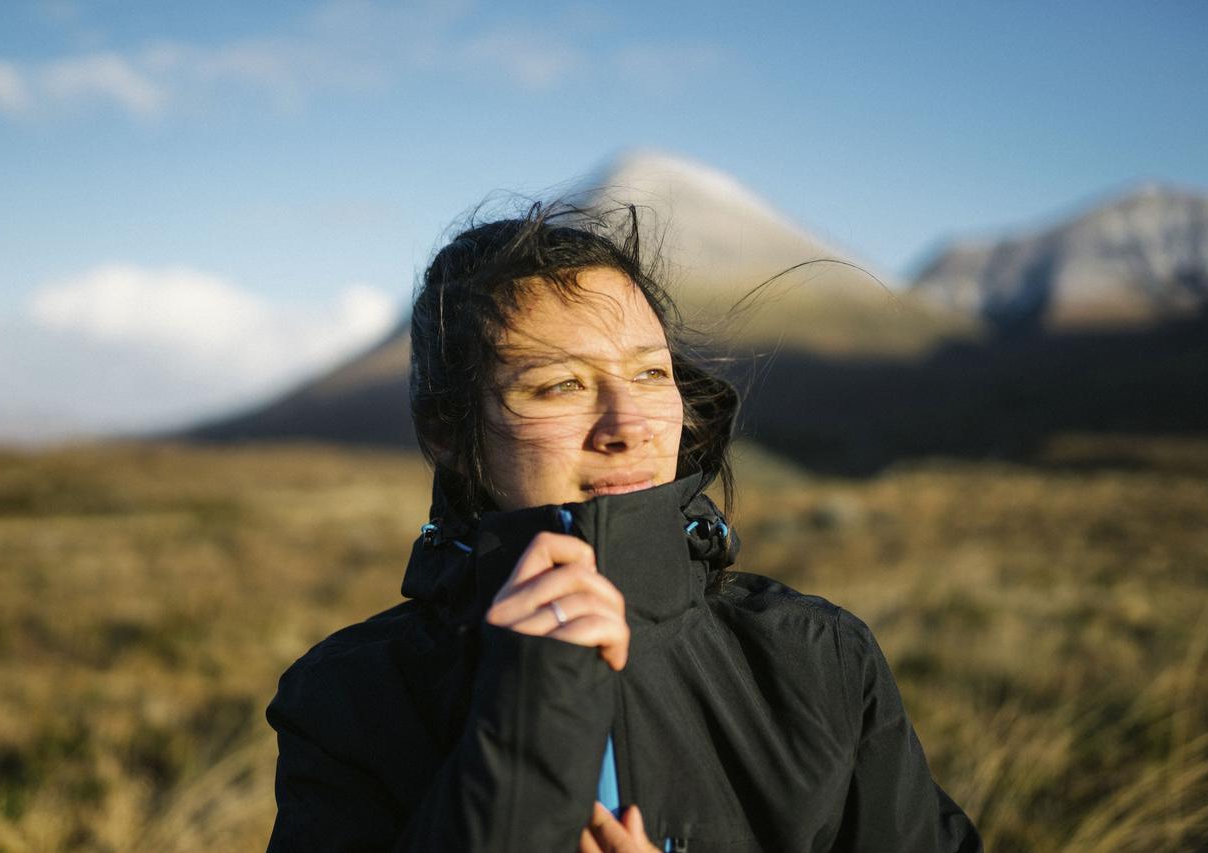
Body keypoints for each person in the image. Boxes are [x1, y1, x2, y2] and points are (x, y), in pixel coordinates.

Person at [266, 203, 982, 852]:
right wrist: (521, 733)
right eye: (560, 385)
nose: (629, 426)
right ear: (448, 431)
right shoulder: (351, 699)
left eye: (649, 374)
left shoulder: (816, 659)